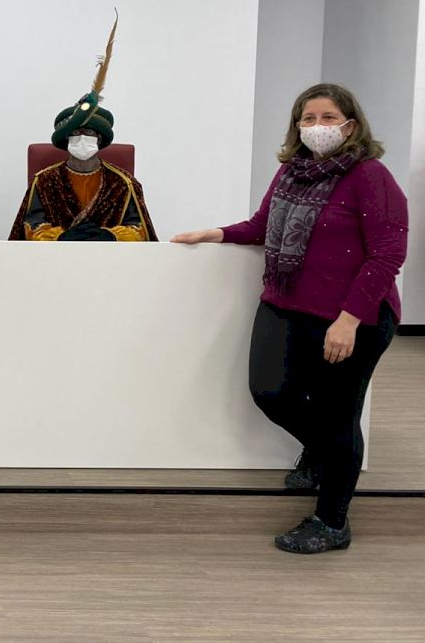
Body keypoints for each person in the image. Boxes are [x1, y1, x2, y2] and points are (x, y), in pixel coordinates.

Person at [173, 83, 408, 554]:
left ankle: (332, 521)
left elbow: (387, 255)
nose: (317, 127)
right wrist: (214, 233)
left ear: (351, 125)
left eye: (328, 117)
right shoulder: (291, 172)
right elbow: (262, 226)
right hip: (286, 303)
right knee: (270, 392)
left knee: (339, 417)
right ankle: (325, 454)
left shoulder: (370, 176)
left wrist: (348, 321)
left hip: (351, 316)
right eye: (308, 118)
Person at [9, 16, 156, 241]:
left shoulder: (123, 183)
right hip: (55, 257)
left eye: (88, 133)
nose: (82, 137)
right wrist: (60, 238)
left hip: (109, 259)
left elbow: (138, 230)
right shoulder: (45, 181)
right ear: (65, 139)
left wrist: (108, 236)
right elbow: (31, 226)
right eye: (75, 133)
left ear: (100, 138)